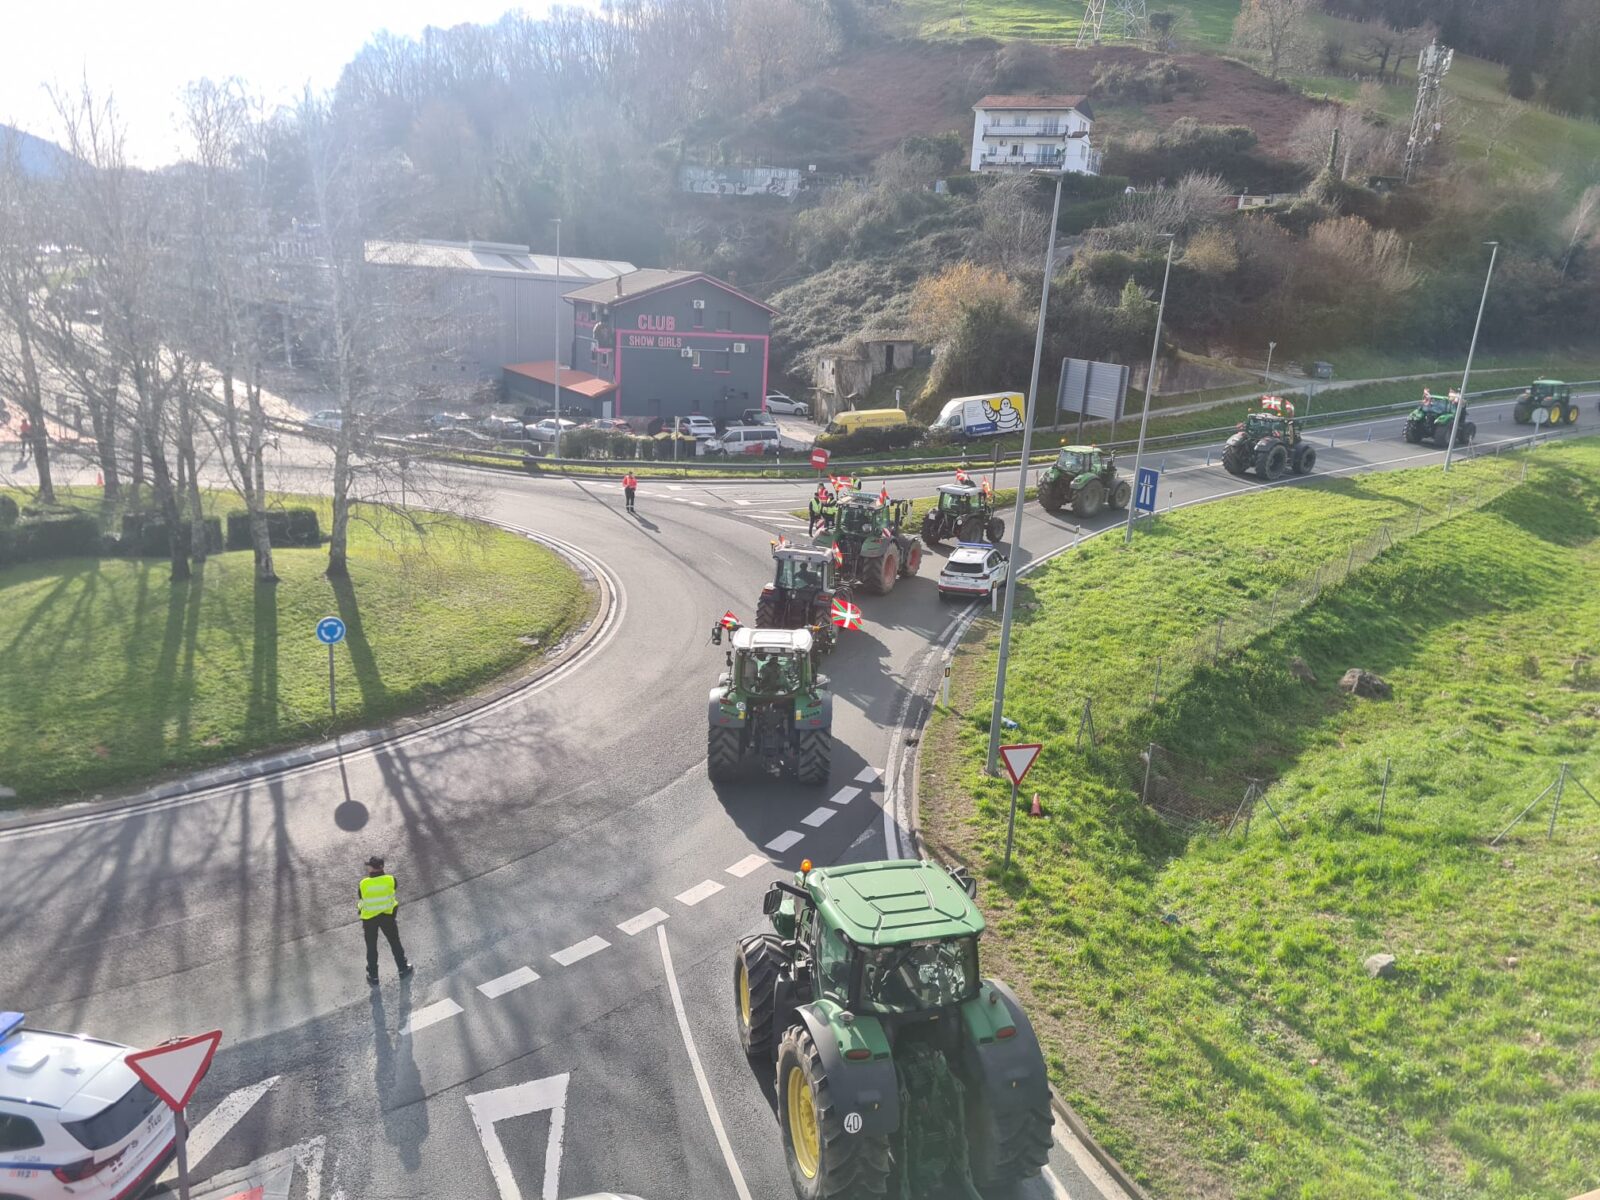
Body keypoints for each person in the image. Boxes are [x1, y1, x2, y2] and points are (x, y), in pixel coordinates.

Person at [360, 855, 413, 986]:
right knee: (395, 942)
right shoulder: (391, 880)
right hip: (387, 916)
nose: (368, 868)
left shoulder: (363, 883)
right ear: (382, 867)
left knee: (371, 947)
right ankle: (403, 968)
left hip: (369, 919)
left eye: (369, 866)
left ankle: (374, 976)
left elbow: (361, 897)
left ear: (372, 868)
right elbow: (392, 890)